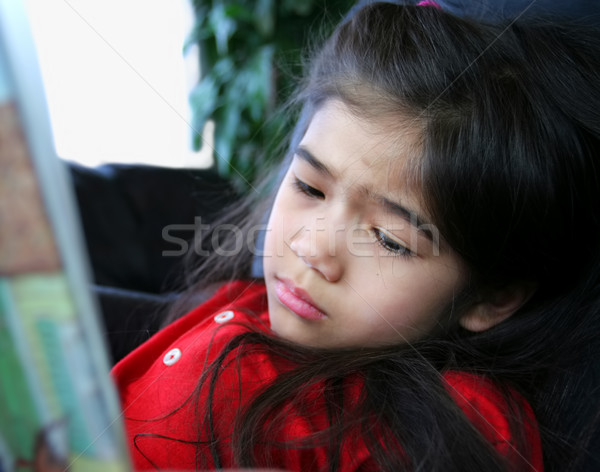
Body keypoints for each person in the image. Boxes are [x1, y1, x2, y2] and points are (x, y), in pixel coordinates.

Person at [112, 3, 600, 471]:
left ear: (493, 299)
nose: (313, 247)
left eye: (388, 240)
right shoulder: (250, 302)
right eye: (308, 186)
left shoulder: (451, 419)